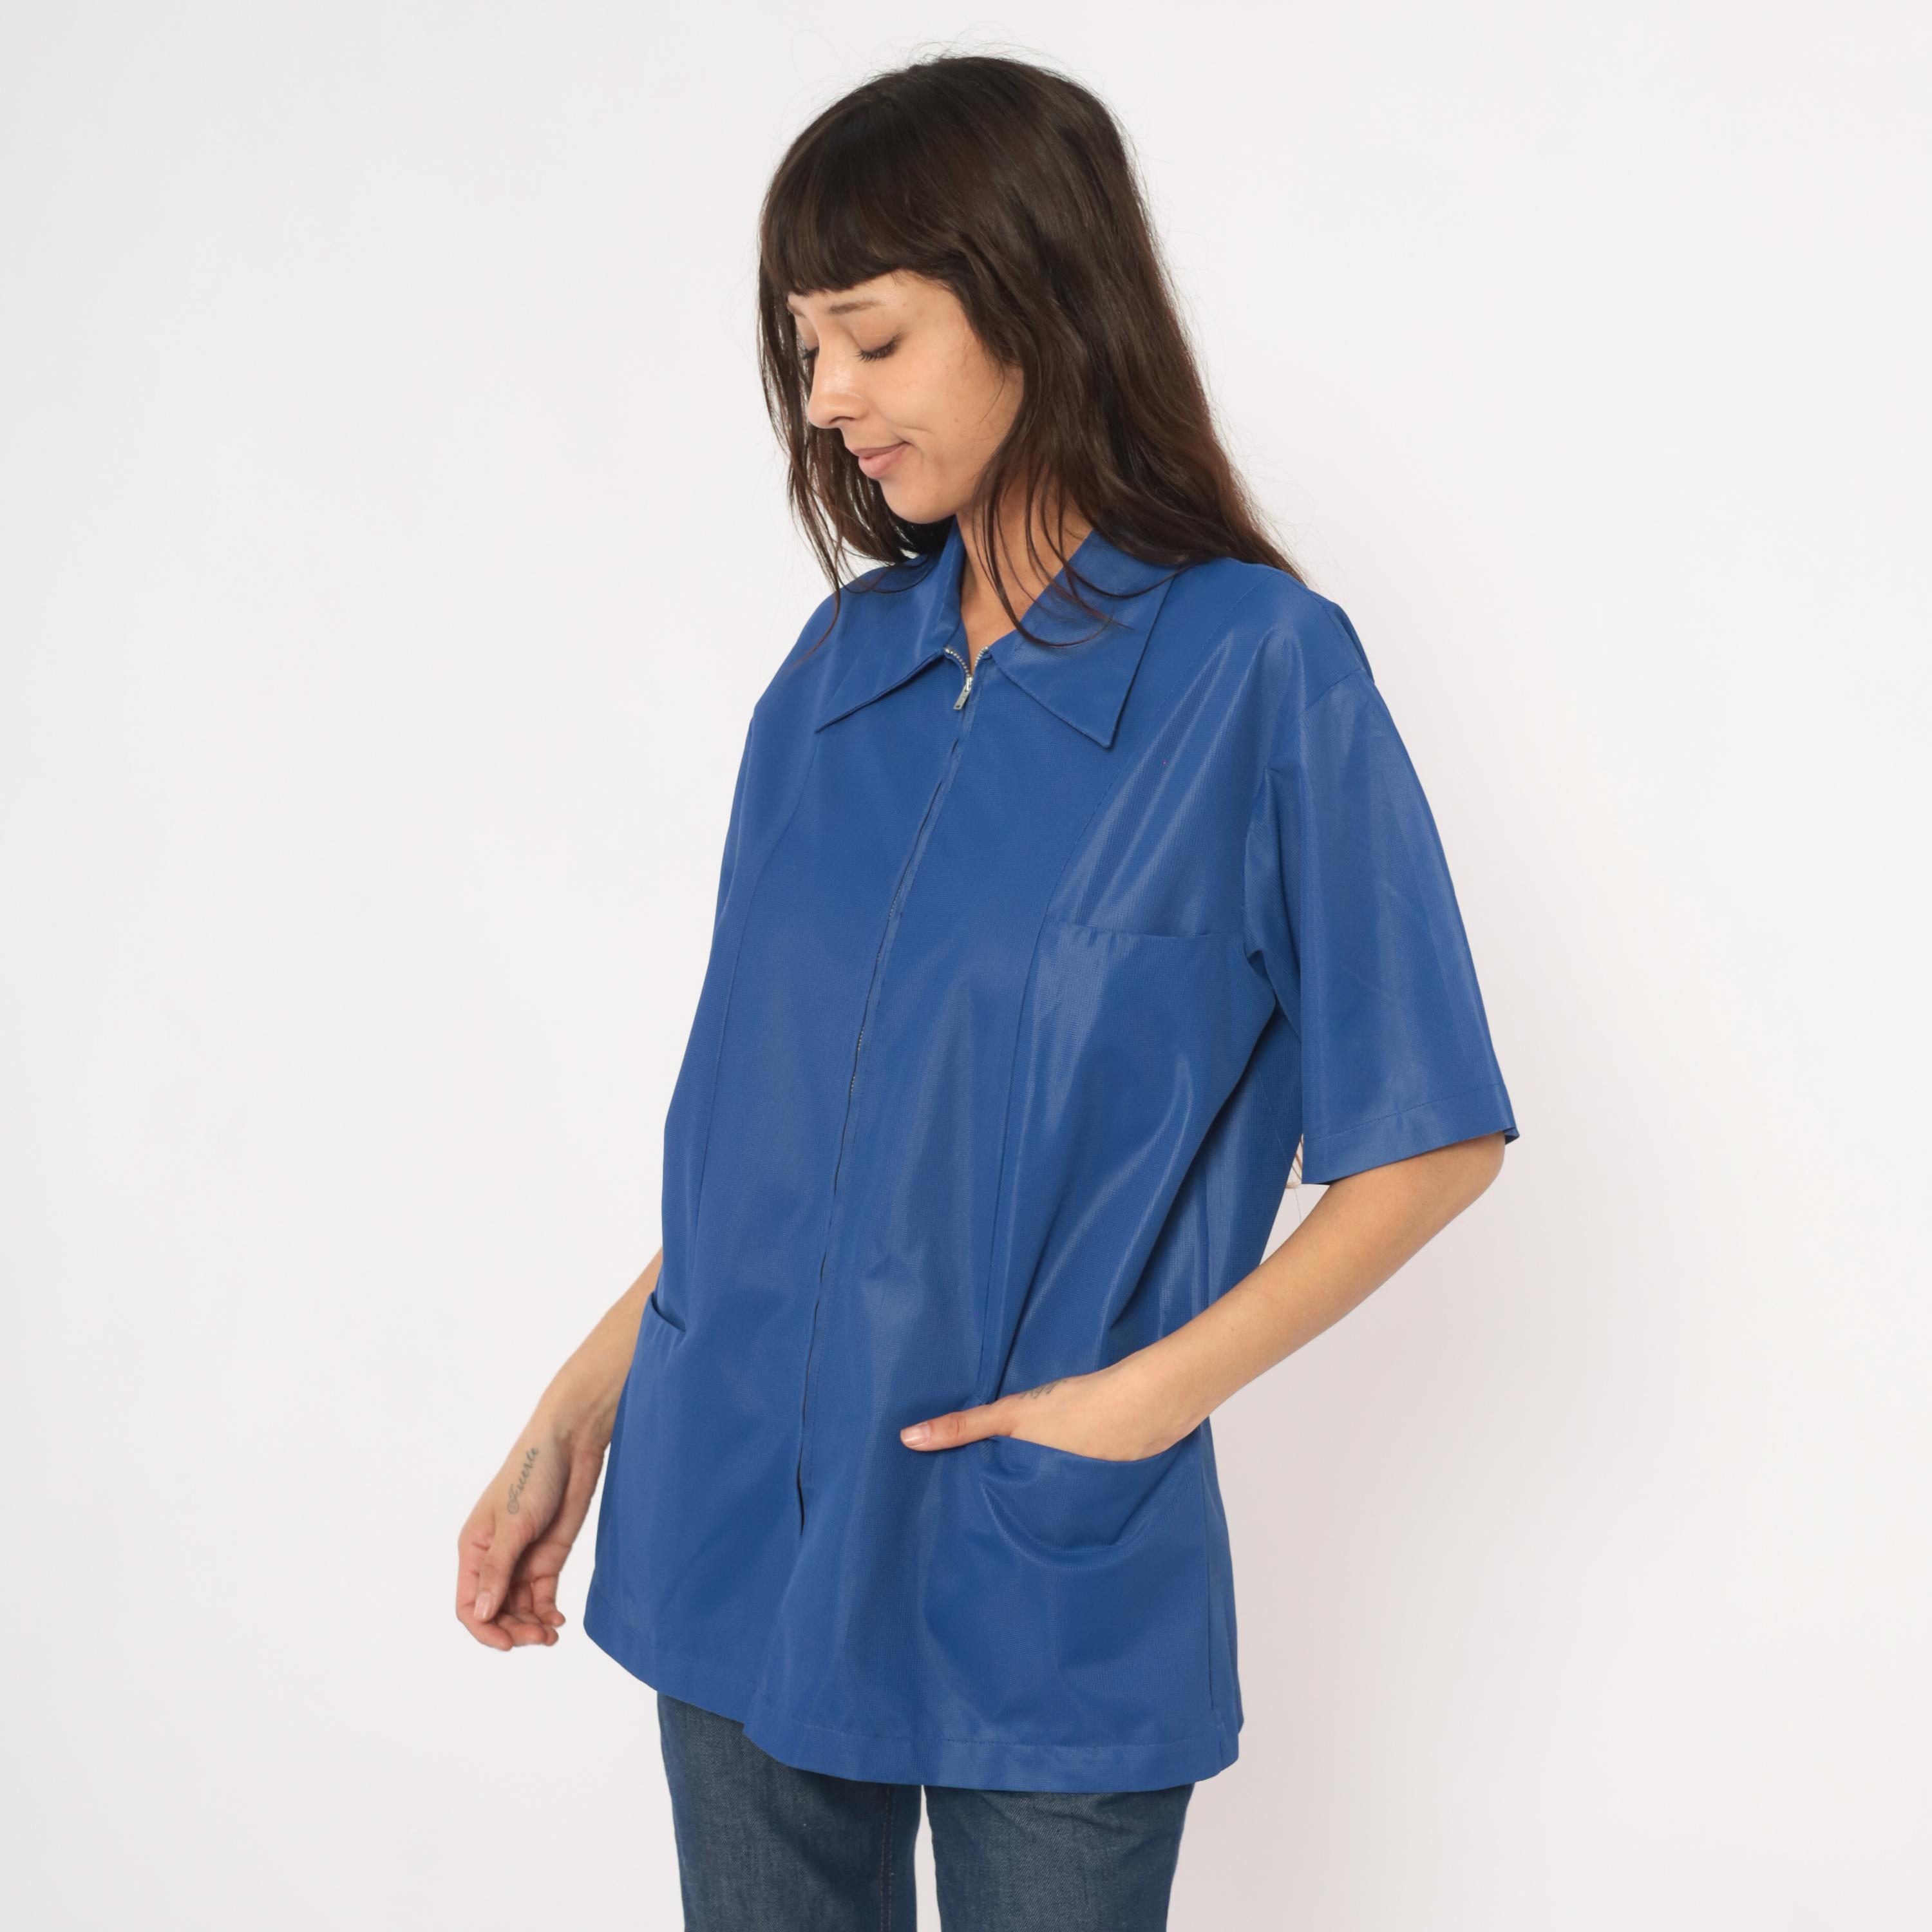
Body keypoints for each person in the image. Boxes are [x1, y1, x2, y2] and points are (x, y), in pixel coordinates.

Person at [456, 51, 1518, 1932]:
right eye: (805, 347)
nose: (825, 398)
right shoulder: (829, 681)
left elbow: (1433, 1139)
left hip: (1035, 1567)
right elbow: (785, 1149)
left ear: (1036, 301)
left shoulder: (1257, 674)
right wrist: (582, 1403)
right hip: (733, 1516)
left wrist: (1142, 1405)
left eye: (871, 338)